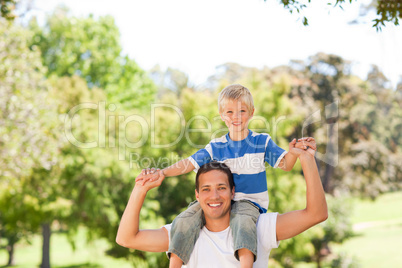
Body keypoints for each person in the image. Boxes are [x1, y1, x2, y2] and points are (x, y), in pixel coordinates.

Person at [138, 84, 316, 267]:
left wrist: (293, 153)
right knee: (184, 219)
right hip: (221, 202)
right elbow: (189, 163)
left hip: (249, 203)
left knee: (242, 221)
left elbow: (285, 164)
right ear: (222, 115)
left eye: (242, 111)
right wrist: (162, 172)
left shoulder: (261, 142)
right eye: (230, 112)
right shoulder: (216, 146)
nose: (236, 117)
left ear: (252, 112)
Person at [116, 143, 328, 267]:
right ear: (197, 196)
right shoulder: (183, 231)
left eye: (221, 187)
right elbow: (126, 238)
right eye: (206, 189)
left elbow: (316, 214)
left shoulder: (257, 226)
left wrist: (307, 159)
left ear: (233, 192)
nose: (214, 196)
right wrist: (140, 189)